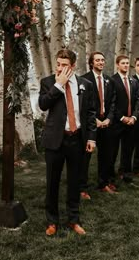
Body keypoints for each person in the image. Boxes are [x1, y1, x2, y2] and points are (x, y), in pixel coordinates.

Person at [38, 49, 96, 236]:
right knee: (52, 183)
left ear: (73, 66)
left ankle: (74, 219)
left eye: (64, 65)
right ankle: (52, 221)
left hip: (77, 139)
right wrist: (58, 85)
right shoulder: (48, 82)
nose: (60, 68)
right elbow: (43, 104)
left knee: (74, 182)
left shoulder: (85, 84)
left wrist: (91, 138)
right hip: (55, 140)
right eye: (58, 64)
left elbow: (90, 113)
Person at [80, 51, 116, 198]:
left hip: (106, 123)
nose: (101, 62)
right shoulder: (83, 80)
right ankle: (82, 188)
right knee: (85, 156)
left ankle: (103, 183)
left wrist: (108, 119)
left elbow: (113, 102)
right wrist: (95, 120)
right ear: (91, 63)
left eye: (102, 60)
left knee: (106, 155)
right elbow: (83, 104)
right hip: (91, 124)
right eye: (98, 60)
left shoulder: (109, 80)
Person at [110, 55, 139, 184]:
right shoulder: (112, 80)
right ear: (117, 65)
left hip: (131, 122)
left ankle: (125, 173)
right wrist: (122, 118)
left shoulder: (133, 81)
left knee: (128, 150)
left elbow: (138, 100)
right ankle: (110, 176)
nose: (126, 65)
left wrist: (134, 116)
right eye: (123, 63)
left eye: (127, 63)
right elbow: (111, 103)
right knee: (113, 151)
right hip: (117, 122)